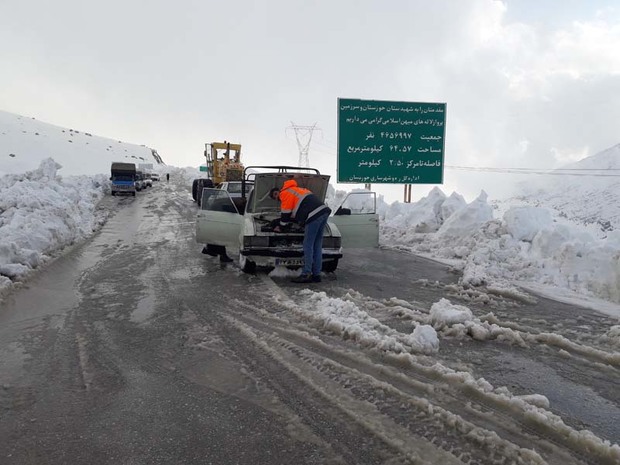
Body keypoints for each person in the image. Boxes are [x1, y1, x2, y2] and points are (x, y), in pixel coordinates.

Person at [269, 180, 331, 283]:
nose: (277, 197)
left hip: (314, 215)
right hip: (323, 211)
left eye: (276, 194)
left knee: (308, 245)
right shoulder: (296, 189)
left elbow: (285, 217)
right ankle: (316, 275)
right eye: (275, 197)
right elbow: (298, 212)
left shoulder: (285, 193)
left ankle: (306, 274)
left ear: (279, 191)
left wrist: (280, 227)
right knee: (317, 245)